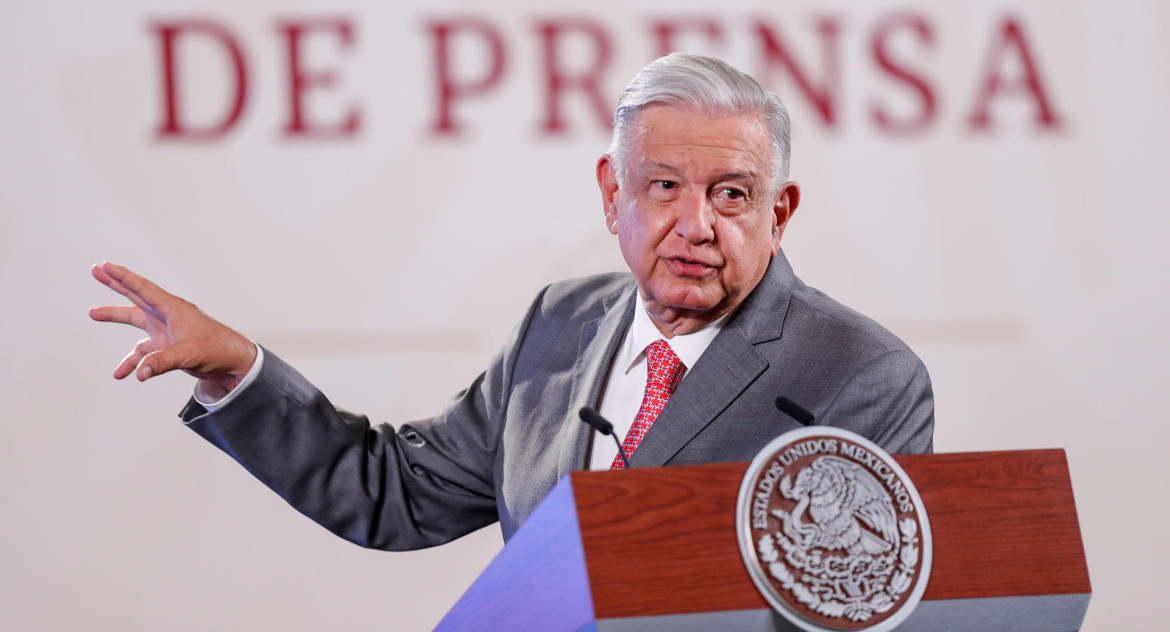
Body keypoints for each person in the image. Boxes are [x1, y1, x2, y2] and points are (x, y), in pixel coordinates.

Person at [90, 53, 933, 549]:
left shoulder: (860, 374)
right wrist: (236, 371)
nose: (695, 225)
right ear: (613, 196)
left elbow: (855, 598)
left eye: (734, 195)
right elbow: (394, 492)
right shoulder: (561, 325)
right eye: (664, 186)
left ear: (780, 213)